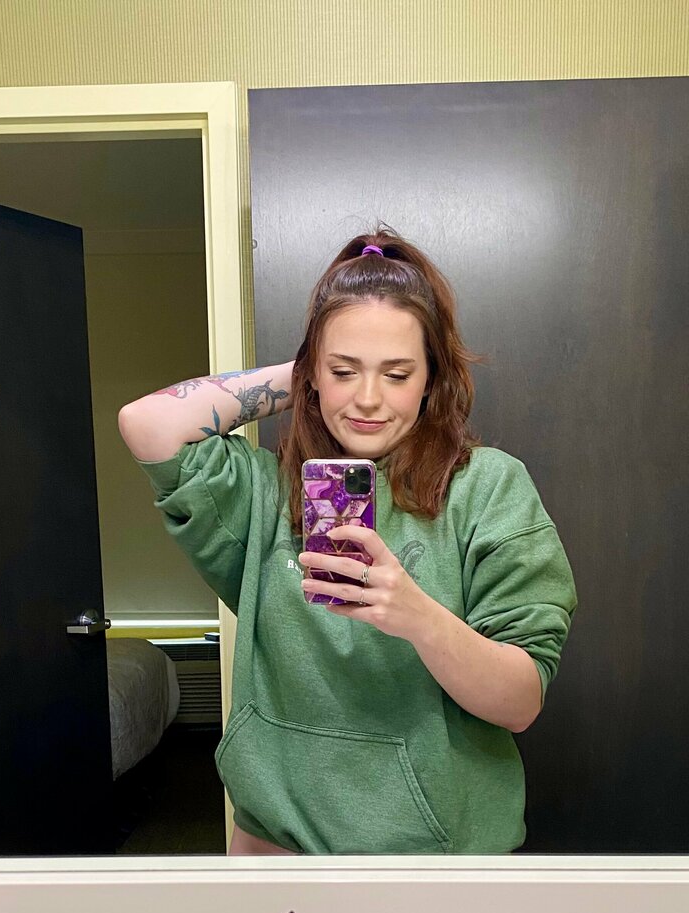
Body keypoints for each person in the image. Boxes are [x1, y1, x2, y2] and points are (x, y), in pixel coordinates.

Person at [117, 227, 576, 855]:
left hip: (437, 860)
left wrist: (416, 617)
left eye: (397, 374)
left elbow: (520, 702)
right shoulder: (263, 493)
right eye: (343, 371)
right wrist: (307, 371)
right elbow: (147, 423)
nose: (367, 399)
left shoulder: (489, 488)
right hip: (275, 847)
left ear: (431, 379)